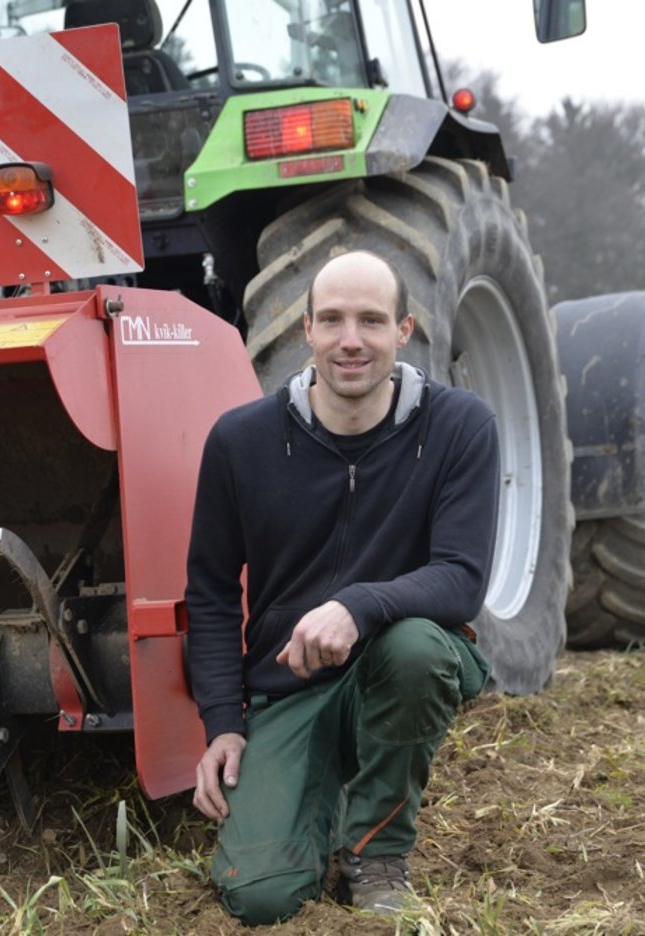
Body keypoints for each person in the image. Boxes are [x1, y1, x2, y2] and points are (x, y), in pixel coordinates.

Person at [184, 249, 501, 924]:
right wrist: (222, 723)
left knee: (416, 648)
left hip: (395, 669)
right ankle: (311, 811)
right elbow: (210, 588)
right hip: (286, 690)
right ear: (306, 331)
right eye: (331, 320)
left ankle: (377, 851)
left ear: (404, 330)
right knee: (261, 896)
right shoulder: (241, 442)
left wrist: (356, 605)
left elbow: (461, 579)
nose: (350, 340)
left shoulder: (458, 427)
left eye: (370, 320)